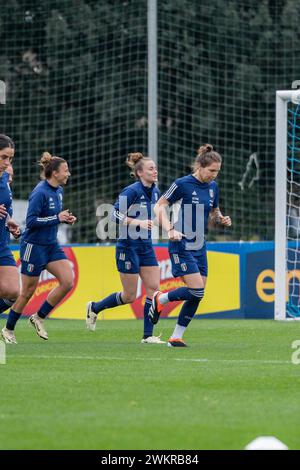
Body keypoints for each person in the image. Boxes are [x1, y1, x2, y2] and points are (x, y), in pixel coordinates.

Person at [149, 144, 232, 347]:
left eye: (217, 171)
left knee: (198, 293)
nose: (214, 175)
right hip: (181, 243)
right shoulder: (182, 184)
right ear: (200, 166)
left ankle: (176, 337)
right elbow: (159, 206)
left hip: (200, 244)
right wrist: (170, 229)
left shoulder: (213, 187)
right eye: (211, 171)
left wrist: (221, 218)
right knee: (196, 290)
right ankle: (161, 298)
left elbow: (213, 210)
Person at [86, 152, 165, 344]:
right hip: (128, 246)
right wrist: (137, 222)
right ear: (139, 173)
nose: (155, 171)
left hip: (145, 246)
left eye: (155, 168)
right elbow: (114, 215)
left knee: (154, 290)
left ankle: (147, 336)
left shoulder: (155, 191)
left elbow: (157, 212)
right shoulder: (131, 191)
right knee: (129, 296)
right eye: (150, 168)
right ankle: (95, 307)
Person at [1, 152, 77, 344]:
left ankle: (39, 317)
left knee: (68, 280)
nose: (68, 174)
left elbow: (52, 218)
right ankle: (8, 329)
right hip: (33, 246)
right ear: (54, 173)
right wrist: (56, 218)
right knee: (27, 292)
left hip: (51, 245)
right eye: (65, 170)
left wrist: (64, 219)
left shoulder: (59, 191)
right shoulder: (40, 192)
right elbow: (32, 222)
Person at [0, 135, 21, 343]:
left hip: (1, 242)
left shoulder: (5, 178)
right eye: (3, 158)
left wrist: (9, 221)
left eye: (10, 159)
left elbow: (4, 210)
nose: (7, 163)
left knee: (13, 291)